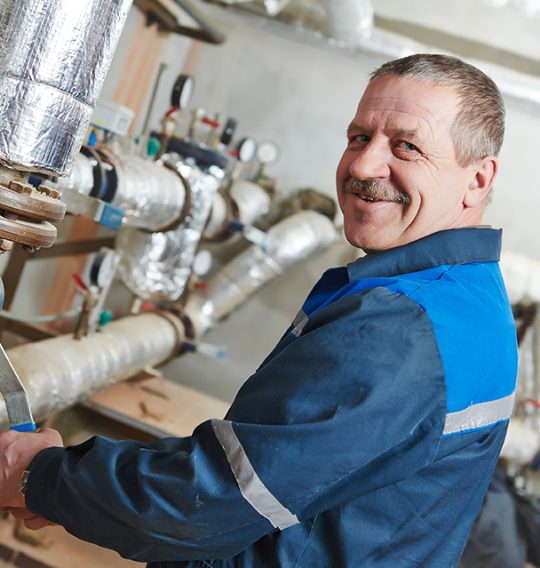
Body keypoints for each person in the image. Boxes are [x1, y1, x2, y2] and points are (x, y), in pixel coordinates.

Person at [0, 53, 518, 567]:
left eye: (406, 146)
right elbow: (253, 463)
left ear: (478, 178)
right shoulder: (467, 296)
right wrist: (65, 479)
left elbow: (206, 502)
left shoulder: (404, 324)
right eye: (359, 137)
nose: (363, 165)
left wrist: (37, 476)